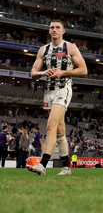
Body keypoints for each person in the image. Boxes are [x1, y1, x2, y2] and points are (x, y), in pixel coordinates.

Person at [28, 19, 88, 176]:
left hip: (63, 90)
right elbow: (33, 73)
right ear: (49, 31)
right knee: (60, 131)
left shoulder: (70, 47)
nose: (54, 30)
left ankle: (43, 164)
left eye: (57, 28)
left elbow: (83, 70)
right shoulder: (43, 50)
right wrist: (42, 73)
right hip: (48, 91)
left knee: (50, 126)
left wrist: (63, 72)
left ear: (63, 31)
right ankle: (67, 168)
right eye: (52, 28)